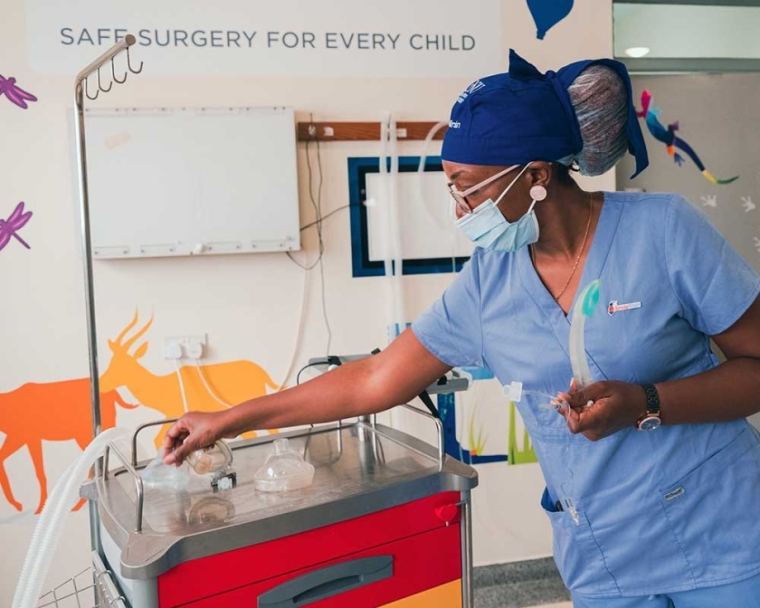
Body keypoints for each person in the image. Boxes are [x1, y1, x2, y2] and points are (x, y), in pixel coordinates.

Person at [163, 50, 760, 607]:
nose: (458, 209)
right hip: (604, 557)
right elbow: (374, 378)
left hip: (722, 537)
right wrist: (228, 420)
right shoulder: (489, 282)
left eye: (467, 186)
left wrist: (646, 403)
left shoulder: (663, 233)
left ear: (535, 175)